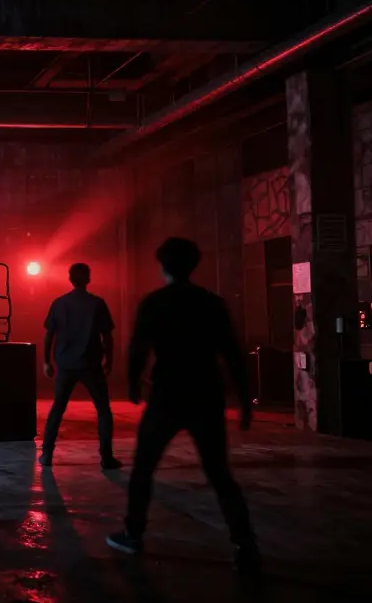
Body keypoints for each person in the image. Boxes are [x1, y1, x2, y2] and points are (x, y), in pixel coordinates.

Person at [106, 237, 259, 575]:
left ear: (162, 265)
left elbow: (138, 348)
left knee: (144, 468)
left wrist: (132, 384)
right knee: (219, 474)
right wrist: (245, 401)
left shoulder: (154, 303)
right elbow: (232, 353)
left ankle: (133, 534)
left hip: (167, 394)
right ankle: (244, 543)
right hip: (206, 394)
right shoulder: (211, 303)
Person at [41, 263, 122, 469]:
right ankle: (106, 457)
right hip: (91, 364)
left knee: (58, 408)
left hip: (66, 364)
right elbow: (107, 337)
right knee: (103, 410)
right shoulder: (97, 304)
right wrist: (109, 361)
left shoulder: (59, 303)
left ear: (70, 279)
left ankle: (47, 454)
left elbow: (50, 334)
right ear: (88, 279)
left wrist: (46, 361)